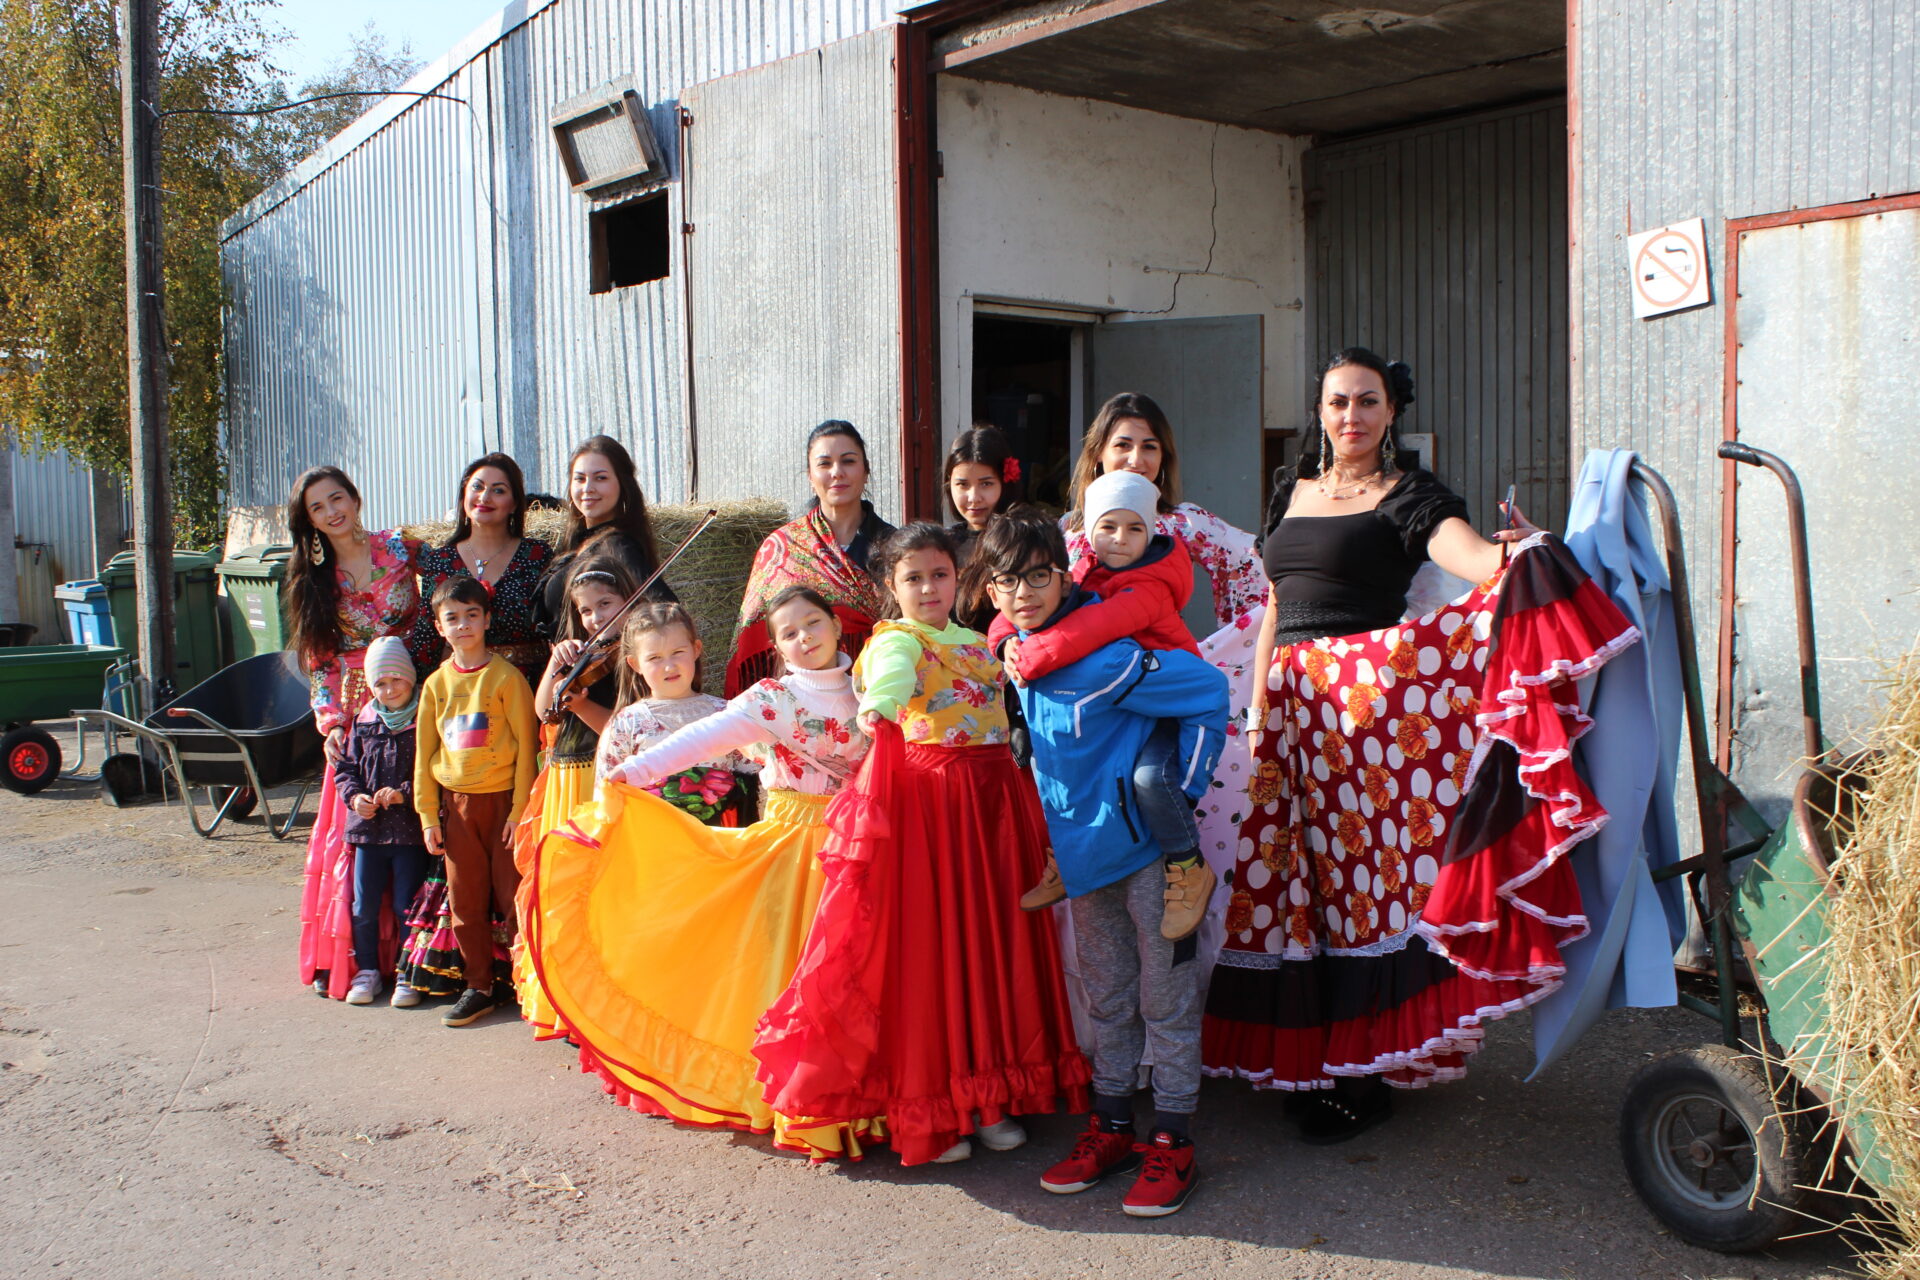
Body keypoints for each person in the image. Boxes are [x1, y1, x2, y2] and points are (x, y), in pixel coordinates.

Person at [1202, 347, 1614, 1143]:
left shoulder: (1410, 494)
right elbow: (1274, 607)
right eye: (1336, 402)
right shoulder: (1292, 489)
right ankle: (1315, 1056)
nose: (1350, 416)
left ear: (1391, 414)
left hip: (1367, 713)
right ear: (1319, 412)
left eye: (1366, 401)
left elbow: (1475, 563)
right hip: (1289, 713)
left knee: (1365, 893)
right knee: (1296, 889)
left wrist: (1521, 553)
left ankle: (1366, 1071)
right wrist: (1257, 713)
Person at [751, 523, 1090, 1167]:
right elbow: (891, 680)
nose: (928, 587)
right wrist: (878, 706)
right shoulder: (894, 642)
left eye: (939, 575)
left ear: (958, 577)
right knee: (944, 952)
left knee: (995, 944)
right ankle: (945, 1104)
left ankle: (993, 1097)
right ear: (891, 588)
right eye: (913, 578)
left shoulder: (984, 640)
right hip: (939, 808)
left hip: (996, 803)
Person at [528, 586, 882, 1160]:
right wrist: (627, 777)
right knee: (798, 971)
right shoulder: (769, 699)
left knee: (864, 968)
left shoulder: (873, 682)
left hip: (869, 842)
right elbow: (696, 742)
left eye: (813, 624)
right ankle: (808, 1095)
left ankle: (876, 1094)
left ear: (838, 626)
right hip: (797, 847)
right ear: (775, 646)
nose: (804, 638)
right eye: (789, 633)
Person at [980, 508, 1228, 1217]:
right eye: (1006, 581)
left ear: (1062, 573)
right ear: (992, 593)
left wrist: (1179, 790)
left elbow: (1208, 693)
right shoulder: (1020, 657)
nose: (1023, 592)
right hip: (1085, 862)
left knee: (1165, 1000)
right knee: (1109, 997)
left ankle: (1173, 1141)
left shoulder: (1113, 657)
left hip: (1153, 860)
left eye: (1035, 575)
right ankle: (1113, 1127)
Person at [993, 470, 1216, 939]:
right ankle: (1063, 859)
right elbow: (1028, 602)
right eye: (1108, 527)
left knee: (1150, 779)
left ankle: (1188, 864)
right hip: (1128, 700)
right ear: (1089, 531)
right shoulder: (1085, 571)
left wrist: (1027, 653)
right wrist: (1003, 643)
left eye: (1135, 528)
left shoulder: (1147, 586)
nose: (1120, 540)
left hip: (1165, 702)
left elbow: (1085, 629)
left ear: (1153, 531)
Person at [286, 466, 425, 1001]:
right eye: (318, 508)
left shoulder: (402, 549)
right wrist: (331, 722)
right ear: (310, 521)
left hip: (412, 696)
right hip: (354, 710)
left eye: (336, 498)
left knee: (418, 823)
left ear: (356, 497)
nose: (331, 512)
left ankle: (418, 958)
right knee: (361, 833)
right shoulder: (311, 577)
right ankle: (357, 962)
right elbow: (318, 660)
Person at [506, 555, 637, 1038]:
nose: (596, 616)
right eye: (585, 610)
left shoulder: (632, 658)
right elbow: (545, 713)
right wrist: (556, 671)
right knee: (557, 893)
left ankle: (600, 1002)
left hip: (597, 781)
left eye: (607, 604)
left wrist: (579, 701)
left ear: (628, 601)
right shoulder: (578, 655)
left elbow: (620, 731)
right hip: (562, 779)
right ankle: (561, 1000)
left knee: (597, 891)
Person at [415, 576, 539, 1029]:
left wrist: (519, 810)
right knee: (465, 900)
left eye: (472, 615)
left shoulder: (507, 678)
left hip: (503, 805)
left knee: (512, 898)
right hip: (456, 808)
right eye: (453, 618)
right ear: (439, 626)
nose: (463, 625)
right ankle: (479, 986)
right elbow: (424, 755)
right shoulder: (434, 686)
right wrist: (428, 814)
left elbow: (528, 749)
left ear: (487, 619)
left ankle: (529, 985)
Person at [725, 421, 895, 694]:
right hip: (802, 699)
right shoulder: (782, 548)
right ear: (810, 476)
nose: (837, 472)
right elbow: (754, 639)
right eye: (825, 464)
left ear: (866, 471)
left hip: (882, 690)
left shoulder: (896, 548)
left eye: (848, 461)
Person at [330, 635, 429, 1009]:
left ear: (411, 679)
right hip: (367, 831)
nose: (389, 690)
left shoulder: (424, 719)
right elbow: (346, 768)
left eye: (397, 680)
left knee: (407, 904)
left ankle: (408, 972)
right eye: (380, 683)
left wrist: (404, 792)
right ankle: (368, 970)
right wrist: (354, 798)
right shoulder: (364, 722)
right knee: (364, 905)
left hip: (410, 833)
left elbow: (432, 769)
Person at [595, 601, 757, 823]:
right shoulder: (626, 722)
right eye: (655, 658)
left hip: (721, 843)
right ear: (635, 664)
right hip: (652, 841)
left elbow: (754, 777)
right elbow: (605, 791)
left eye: (677, 652)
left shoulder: (727, 713)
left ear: (696, 649)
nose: (669, 666)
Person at [412, 452, 553, 687]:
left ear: (515, 504)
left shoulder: (537, 555)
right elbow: (427, 636)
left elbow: (555, 625)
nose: (485, 497)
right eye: (477, 487)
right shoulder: (441, 560)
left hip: (527, 685)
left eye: (498, 490)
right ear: (463, 495)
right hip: (463, 688)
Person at [530, 435, 676, 644]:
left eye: (601, 478)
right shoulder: (575, 545)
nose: (588, 488)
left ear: (623, 485)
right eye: (579, 479)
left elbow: (664, 609)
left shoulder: (617, 545)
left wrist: (617, 646)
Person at [943, 425, 1021, 631]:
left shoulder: (1020, 540)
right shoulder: (943, 543)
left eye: (986, 484)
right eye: (962, 485)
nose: (974, 497)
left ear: (1005, 482)